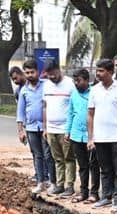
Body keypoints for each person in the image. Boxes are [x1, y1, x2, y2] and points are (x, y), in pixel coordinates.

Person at [87, 58, 117, 212]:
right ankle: (106, 196)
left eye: (101, 71)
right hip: (100, 138)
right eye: (97, 70)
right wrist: (91, 138)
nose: (98, 74)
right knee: (104, 169)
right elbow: (90, 115)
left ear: (110, 72)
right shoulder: (94, 90)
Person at [17, 59, 55, 194]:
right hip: (31, 128)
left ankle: (52, 181)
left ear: (38, 72)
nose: (30, 75)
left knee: (48, 155)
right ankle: (40, 181)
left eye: (32, 72)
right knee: (37, 155)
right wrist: (20, 131)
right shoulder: (23, 91)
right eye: (27, 73)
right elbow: (20, 112)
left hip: (46, 127)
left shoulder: (46, 85)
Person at [64, 68, 99, 203]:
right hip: (76, 135)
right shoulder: (73, 94)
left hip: (92, 135)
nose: (76, 84)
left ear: (86, 80)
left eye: (79, 81)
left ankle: (94, 193)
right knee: (82, 166)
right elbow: (70, 113)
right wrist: (67, 131)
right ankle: (83, 192)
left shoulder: (94, 92)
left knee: (94, 165)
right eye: (75, 81)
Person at [42, 60, 76, 197]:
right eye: (48, 75)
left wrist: (70, 129)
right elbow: (44, 106)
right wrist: (45, 127)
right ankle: (60, 185)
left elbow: (74, 108)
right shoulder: (46, 86)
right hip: (51, 129)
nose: (51, 77)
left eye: (53, 74)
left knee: (69, 158)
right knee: (57, 159)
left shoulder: (70, 84)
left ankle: (69, 186)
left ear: (59, 69)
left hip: (65, 129)